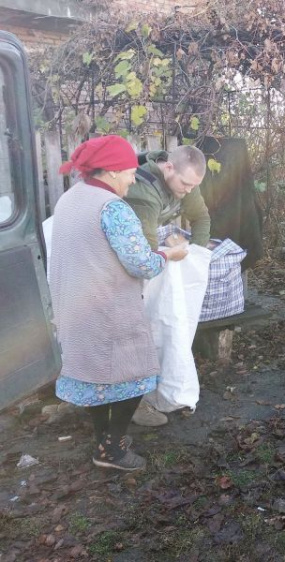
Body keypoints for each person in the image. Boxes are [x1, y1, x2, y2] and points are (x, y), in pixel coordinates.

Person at [49, 135, 188, 471]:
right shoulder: (113, 208)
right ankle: (111, 451)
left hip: (74, 306)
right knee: (135, 374)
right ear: (111, 172)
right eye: (128, 172)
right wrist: (169, 253)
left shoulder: (69, 199)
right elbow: (141, 263)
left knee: (96, 378)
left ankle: (104, 441)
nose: (131, 178)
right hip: (107, 310)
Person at [123, 144, 210, 426]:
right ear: (168, 168)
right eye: (185, 184)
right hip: (117, 257)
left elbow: (201, 217)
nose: (187, 190)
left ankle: (147, 387)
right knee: (132, 330)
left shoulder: (187, 181)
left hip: (142, 249)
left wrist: (195, 256)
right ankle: (130, 402)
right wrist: (170, 257)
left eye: (193, 185)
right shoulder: (143, 191)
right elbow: (145, 254)